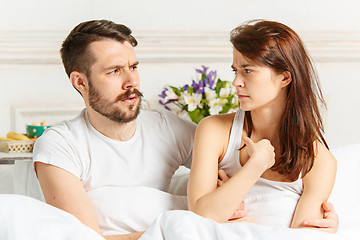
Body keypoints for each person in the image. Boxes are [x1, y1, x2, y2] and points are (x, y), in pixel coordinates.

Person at [33, 19, 338, 240]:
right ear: (80, 82)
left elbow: (231, 192)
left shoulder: (167, 128)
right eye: (114, 71)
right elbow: (83, 238)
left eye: (134, 67)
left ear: (284, 78)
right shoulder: (59, 145)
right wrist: (173, 232)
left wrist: (327, 223)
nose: (132, 82)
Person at [188, 19, 337, 230]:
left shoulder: (318, 161)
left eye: (247, 70)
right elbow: (198, 216)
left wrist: (245, 225)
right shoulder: (214, 130)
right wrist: (256, 165)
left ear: (285, 77)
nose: (236, 82)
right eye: (235, 71)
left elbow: (303, 237)